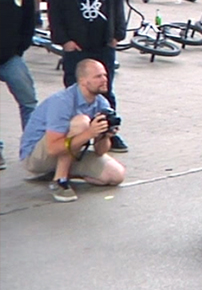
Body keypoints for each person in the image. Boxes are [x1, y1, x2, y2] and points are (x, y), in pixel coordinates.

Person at [47, 0, 129, 153]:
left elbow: (117, 5)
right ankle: (76, 133)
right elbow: (55, 10)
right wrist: (64, 40)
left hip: (103, 42)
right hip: (76, 44)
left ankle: (108, 132)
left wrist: (117, 34)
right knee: (75, 89)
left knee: (105, 88)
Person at [19, 59, 126, 202]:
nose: (104, 80)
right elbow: (52, 148)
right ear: (83, 81)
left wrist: (105, 135)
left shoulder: (101, 103)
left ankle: (58, 171)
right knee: (81, 122)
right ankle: (60, 181)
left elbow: (100, 151)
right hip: (36, 156)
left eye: (105, 75)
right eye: (98, 76)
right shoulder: (62, 101)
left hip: (70, 150)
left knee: (116, 175)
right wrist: (88, 133)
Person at [0, 0, 39, 170]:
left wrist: (21, 47)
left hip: (11, 57)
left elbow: (29, 19)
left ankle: (32, 148)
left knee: (29, 101)